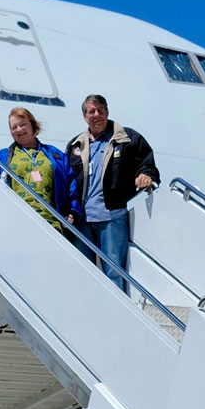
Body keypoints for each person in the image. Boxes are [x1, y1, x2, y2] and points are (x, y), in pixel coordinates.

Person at [65, 94, 159, 289]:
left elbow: (146, 162)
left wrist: (146, 175)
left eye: (101, 110)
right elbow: (66, 179)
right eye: (92, 111)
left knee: (114, 272)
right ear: (84, 116)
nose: (96, 115)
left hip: (111, 217)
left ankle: (117, 318)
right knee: (82, 272)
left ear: (107, 112)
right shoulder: (76, 145)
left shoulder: (127, 138)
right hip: (83, 219)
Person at [0, 107, 78, 231]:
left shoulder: (55, 155)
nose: (19, 129)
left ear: (32, 125)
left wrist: (72, 211)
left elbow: (71, 183)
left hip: (50, 223)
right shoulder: (1, 157)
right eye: (14, 127)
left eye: (23, 124)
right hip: (16, 224)